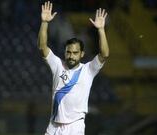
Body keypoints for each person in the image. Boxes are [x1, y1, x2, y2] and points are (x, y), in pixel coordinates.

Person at [37, 1, 109, 135]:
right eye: (68, 52)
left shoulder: (88, 70)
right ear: (65, 52)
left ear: (82, 54)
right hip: (53, 126)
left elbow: (104, 54)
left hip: (74, 127)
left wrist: (101, 30)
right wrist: (44, 23)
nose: (71, 56)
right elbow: (42, 47)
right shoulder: (58, 65)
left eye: (75, 53)